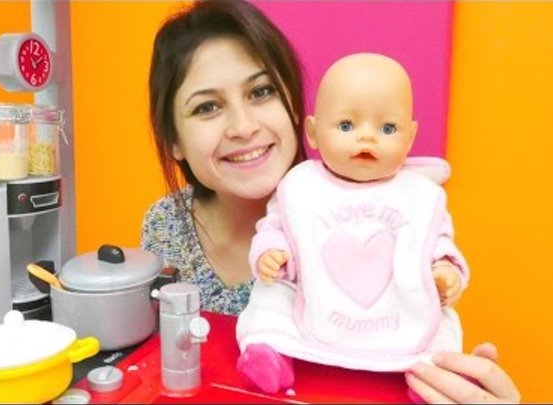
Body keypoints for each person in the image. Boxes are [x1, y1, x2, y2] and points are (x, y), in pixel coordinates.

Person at [140, 1, 520, 403]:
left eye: (261, 91)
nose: (243, 126)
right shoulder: (166, 226)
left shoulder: (395, 210)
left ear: (294, 104)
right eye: (207, 107)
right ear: (174, 140)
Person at [237, 52, 468, 394]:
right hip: (312, 298)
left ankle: (430, 381)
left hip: (395, 306)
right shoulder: (302, 186)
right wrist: (273, 253)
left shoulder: (419, 194)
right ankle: (271, 356)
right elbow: (274, 229)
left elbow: (438, 242)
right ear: (313, 133)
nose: (367, 138)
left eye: (388, 128)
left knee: (443, 327)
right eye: (346, 126)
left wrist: (446, 270)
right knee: (269, 299)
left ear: (410, 138)